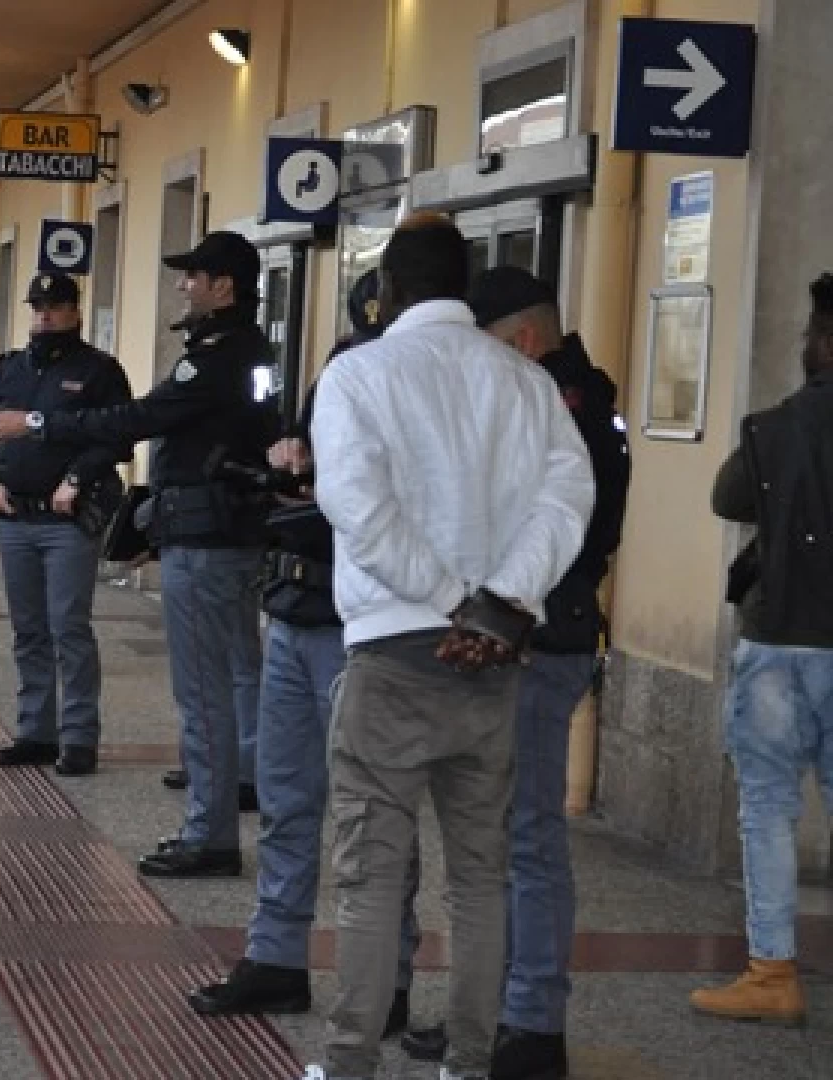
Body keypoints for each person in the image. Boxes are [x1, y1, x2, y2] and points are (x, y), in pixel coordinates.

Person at [300, 215, 593, 1080]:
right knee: (480, 877)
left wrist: (452, 599)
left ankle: (350, 1062)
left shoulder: (358, 374)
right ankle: (468, 1064)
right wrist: (505, 600)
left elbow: (356, 505)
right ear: (462, 291)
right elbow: (566, 499)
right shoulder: (524, 381)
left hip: (394, 655)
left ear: (387, 292)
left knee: (370, 875)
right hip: (491, 662)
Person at [0, 233, 276, 878]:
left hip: (208, 537)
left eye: (192, 276)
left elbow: (135, 419)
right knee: (225, 675)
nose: (181, 286)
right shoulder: (244, 350)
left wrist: (36, 425)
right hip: (222, 532)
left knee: (204, 688)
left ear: (223, 284)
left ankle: (211, 832)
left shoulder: (219, 354)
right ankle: (222, 797)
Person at [400, 267, 631, 1078]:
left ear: (525, 340)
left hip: (541, 641)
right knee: (495, 836)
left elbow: (565, 534)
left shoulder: (565, 409)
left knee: (525, 835)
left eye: (490, 348)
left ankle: (530, 1024)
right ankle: (492, 1010)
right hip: (521, 634)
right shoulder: (560, 400)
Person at [190, 272, 417, 1039]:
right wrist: (287, 472)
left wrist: (310, 494)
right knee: (287, 804)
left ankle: (386, 978)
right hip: (293, 607)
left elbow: (387, 512)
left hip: (363, 627)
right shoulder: (335, 377)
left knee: (375, 818)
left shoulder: (414, 394)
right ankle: (277, 958)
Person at [692, 273, 833, 1028]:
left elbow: (726, 498)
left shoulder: (777, 427)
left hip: (779, 640)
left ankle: (773, 973)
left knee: (770, 808)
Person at [0, 273, 133, 777]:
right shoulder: (8, 369)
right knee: (28, 631)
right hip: (15, 515)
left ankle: (79, 737)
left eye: (56, 307)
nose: (45, 316)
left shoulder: (100, 371)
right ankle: (34, 732)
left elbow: (115, 436)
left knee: (69, 629)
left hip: (67, 520)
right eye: (38, 307)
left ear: (75, 312)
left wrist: (79, 478)